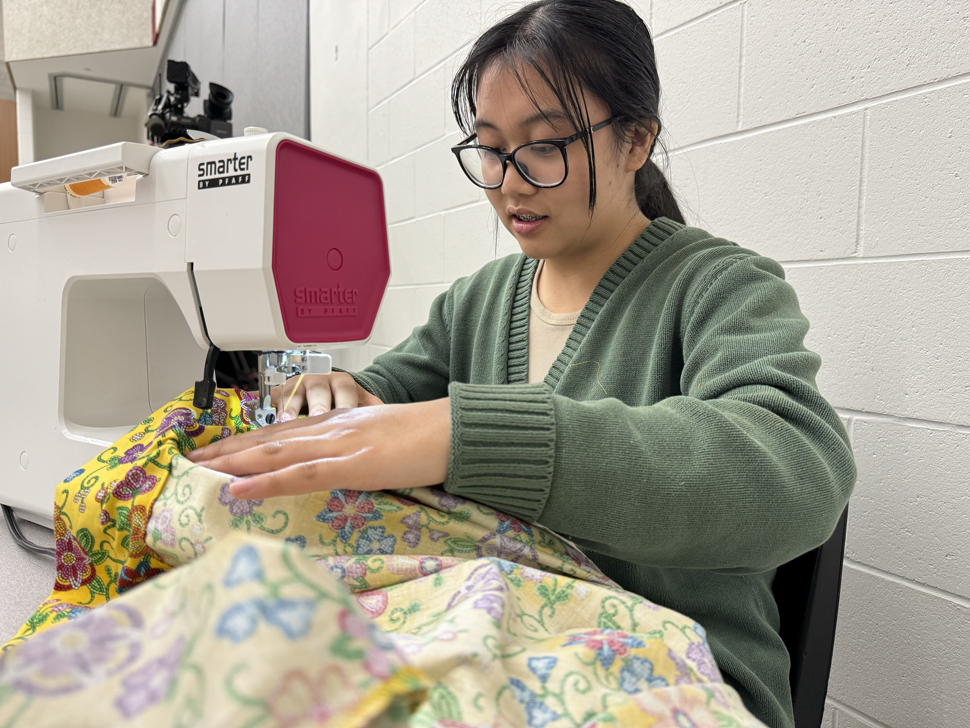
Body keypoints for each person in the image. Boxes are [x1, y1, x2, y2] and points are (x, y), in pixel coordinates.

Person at [186, 1, 857, 726]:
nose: (508, 183)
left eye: (543, 146)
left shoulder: (720, 287)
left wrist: (466, 438)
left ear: (636, 141)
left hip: (672, 672)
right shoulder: (477, 301)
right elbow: (386, 393)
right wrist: (338, 392)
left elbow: (799, 470)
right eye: (490, 148)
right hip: (497, 634)